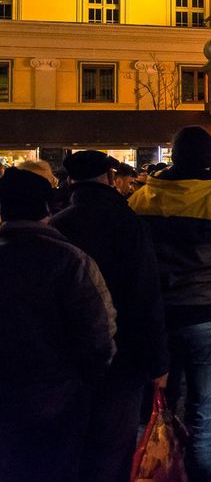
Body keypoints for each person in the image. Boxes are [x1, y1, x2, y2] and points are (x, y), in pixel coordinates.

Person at [128, 126, 211, 482]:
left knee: (154, 413)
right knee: (206, 420)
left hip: (157, 319)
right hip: (209, 316)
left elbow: (132, 260)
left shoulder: (141, 199)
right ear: (210, 160)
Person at [52, 151, 169, 482]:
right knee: (115, 445)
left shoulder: (60, 223)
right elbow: (146, 294)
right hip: (125, 351)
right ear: (109, 177)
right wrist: (158, 361)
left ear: (72, 181)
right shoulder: (127, 222)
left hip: (73, 351)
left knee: (77, 442)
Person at [0, 168, 117, 481]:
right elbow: (99, 332)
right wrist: (90, 375)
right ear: (48, 208)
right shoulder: (70, 260)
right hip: (58, 394)